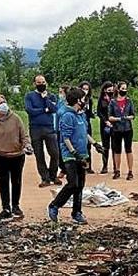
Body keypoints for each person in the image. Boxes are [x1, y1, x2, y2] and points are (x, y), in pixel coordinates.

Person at [48, 88, 104, 225]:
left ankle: (76, 212)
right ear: (77, 101)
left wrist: (95, 144)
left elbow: (84, 133)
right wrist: (74, 152)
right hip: (70, 156)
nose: (85, 101)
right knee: (73, 183)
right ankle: (54, 206)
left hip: (82, 153)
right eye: (83, 99)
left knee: (80, 185)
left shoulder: (81, 115)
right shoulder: (67, 115)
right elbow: (65, 137)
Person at [0, 94, 32, 221]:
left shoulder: (15, 118)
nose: (3, 105)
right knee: (3, 183)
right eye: (0, 103)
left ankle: (16, 206)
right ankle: (6, 208)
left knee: (16, 181)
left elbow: (24, 136)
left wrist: (27, 146)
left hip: (17, 155)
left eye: (4, 102)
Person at [25, 75, 60, 187]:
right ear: (34, 84)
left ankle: (53, 175)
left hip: (49, 127)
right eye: (39, 82)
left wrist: (45, 99)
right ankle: (45, 178)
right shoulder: (29, 96)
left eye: (43, 82)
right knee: (39, 155)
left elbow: (54, 109)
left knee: (55, 153)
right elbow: (30, 110)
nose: (41, 84)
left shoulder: (51, 96)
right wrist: (44, 109)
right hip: (35, 128)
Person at [108, 81, 135, 180]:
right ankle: (117, 170)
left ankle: (130, 171)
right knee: (117, 150)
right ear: (118, 89)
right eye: (122, 88)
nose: (124, 90)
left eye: (125, 89)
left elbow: (133, 115)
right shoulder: (113, 102)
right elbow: (110, 117)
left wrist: (128, 117)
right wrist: (118, 119)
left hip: (127, 128)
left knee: (129, 149)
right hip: (117, 129)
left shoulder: (129, 101)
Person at [96, 81, 115, 174]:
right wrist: (105, 121)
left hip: (114, 125)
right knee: (105, 146)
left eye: (112, 90)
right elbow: (99, 112)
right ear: (104, 90)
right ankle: (105, 165)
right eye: (109, 90)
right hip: (104, 125)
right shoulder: (101, 99)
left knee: (115, 145)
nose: (111, 92)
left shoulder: (114, 99)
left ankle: (116, 166)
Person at [79, 81, 95, 174]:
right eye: (83, 89)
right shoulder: (77, 99)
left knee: (88, 145)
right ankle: (81, 166)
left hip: (87, 123)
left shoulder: (89, 100)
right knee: (80, 144)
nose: (85, 91)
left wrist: (92, 114)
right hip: (78, 123)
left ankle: (89, 166)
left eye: (87, 89)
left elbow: (89, 112)